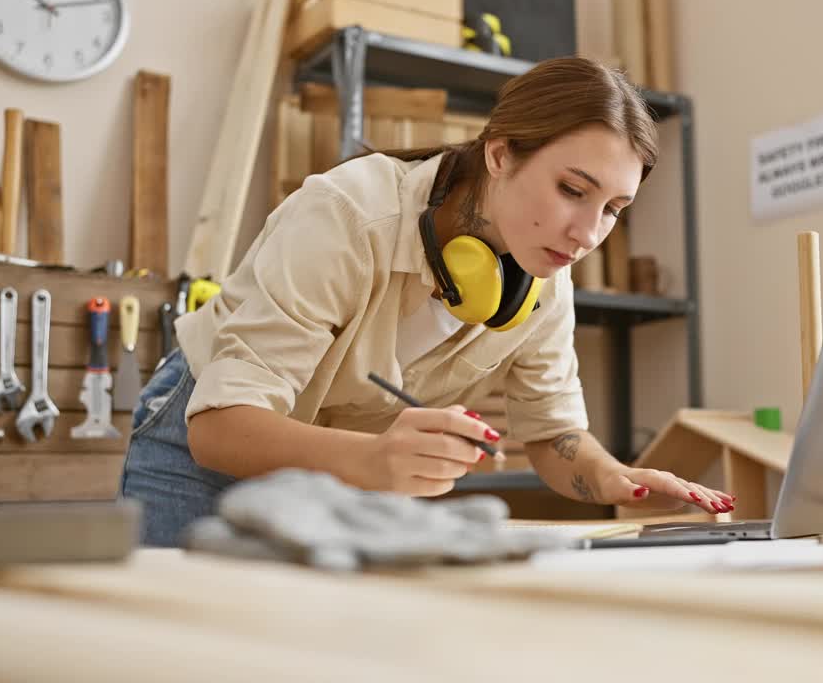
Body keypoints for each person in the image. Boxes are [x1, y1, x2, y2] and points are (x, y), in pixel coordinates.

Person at [120, 56, 735, 547]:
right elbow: (219, 427)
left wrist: (615, 479)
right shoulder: (348, 214)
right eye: (573, 189)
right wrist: (377, 462)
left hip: (349, 467)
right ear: (500, 154)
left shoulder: (547, 274)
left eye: (613, 211)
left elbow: (553, 435)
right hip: (208, 435)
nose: (587, 234)